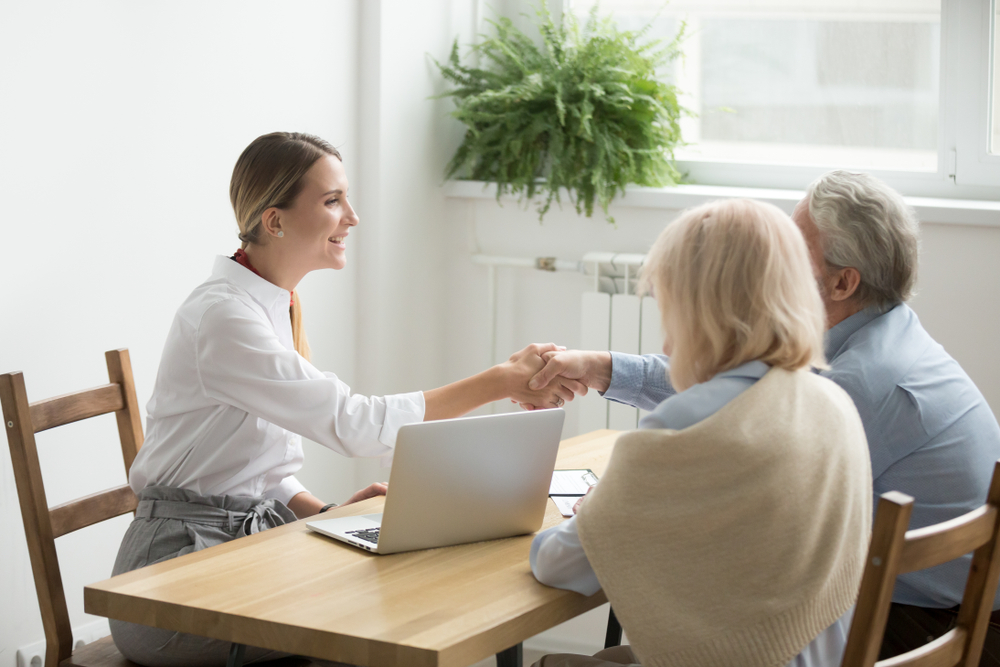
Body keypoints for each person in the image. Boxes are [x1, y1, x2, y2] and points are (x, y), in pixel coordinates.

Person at [110, 132, 582, 667]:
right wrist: (499, 381)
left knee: (404, 599)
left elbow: (247, 465)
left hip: (239, 548)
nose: (352, 217)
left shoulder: (267, 305)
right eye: (333, 200)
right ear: (275, 220)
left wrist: (325, 511)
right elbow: (354, 425)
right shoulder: (225, 319)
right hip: (175, 578)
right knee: (384, 626)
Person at [529, 171, 1000, 664]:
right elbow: (742, 391)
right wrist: (607, 370)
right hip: (913, 612)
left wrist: (617, 514)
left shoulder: (851, 384)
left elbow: (731, 411)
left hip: (915, 624)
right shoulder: (880, 348)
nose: (778, 264)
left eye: (796, 251)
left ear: (843, 282)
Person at [529, 198, 873, 667]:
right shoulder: (832, 403)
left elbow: (558, 567)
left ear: (697, 309)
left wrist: (593, 514)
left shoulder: (681, 431)